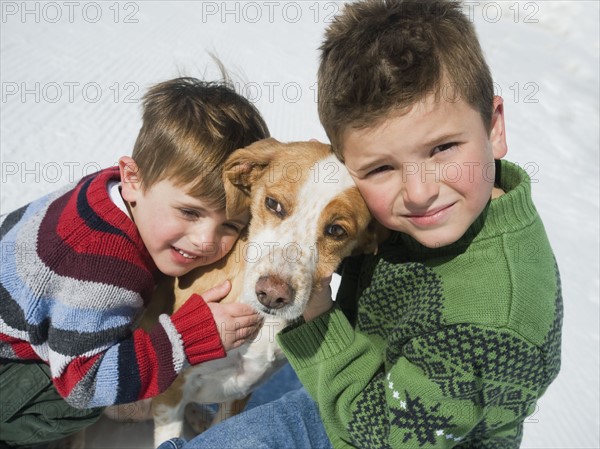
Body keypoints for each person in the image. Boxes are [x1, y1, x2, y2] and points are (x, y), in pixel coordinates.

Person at [157, 1, 563, 448]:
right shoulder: (425, 215)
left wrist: (315, 315)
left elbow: (383, 436)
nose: (419, 191)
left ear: (495, 127)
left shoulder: (494, 316)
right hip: (356, 374)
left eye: (443, 147)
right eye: (380, 167)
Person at [0, 76, 269, 447]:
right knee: (85, 396)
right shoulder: (104, 268)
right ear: (132, 179)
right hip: (7, 369)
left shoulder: (107, 192)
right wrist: (187, 338)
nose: (206, 240)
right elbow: (84, 383)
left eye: (231, 225)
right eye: (189, 212)